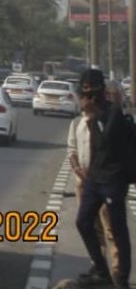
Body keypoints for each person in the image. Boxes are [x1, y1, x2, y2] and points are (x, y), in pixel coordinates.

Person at [74, 69, 131, 288]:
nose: (87, 96)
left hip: (114, 180)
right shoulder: (90, 115)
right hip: (95, 178)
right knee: (83, 222)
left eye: (90, 91)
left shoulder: (113, 111)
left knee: (118, 230)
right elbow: (94, 145)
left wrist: (94, 114)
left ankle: (121, 279)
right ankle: (100, 270)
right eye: (84, 91)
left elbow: (107, 141)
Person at [68, 91, 120, 282]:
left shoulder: (105, 123)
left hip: (105, 183)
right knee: (89, 225)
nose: (80, 101)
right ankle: (98, 267)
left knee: (111, 229)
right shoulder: (76, 123)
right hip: (85, 183)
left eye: (83, 98)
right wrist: (77, 170)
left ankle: (116, 272)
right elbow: (71, 150)